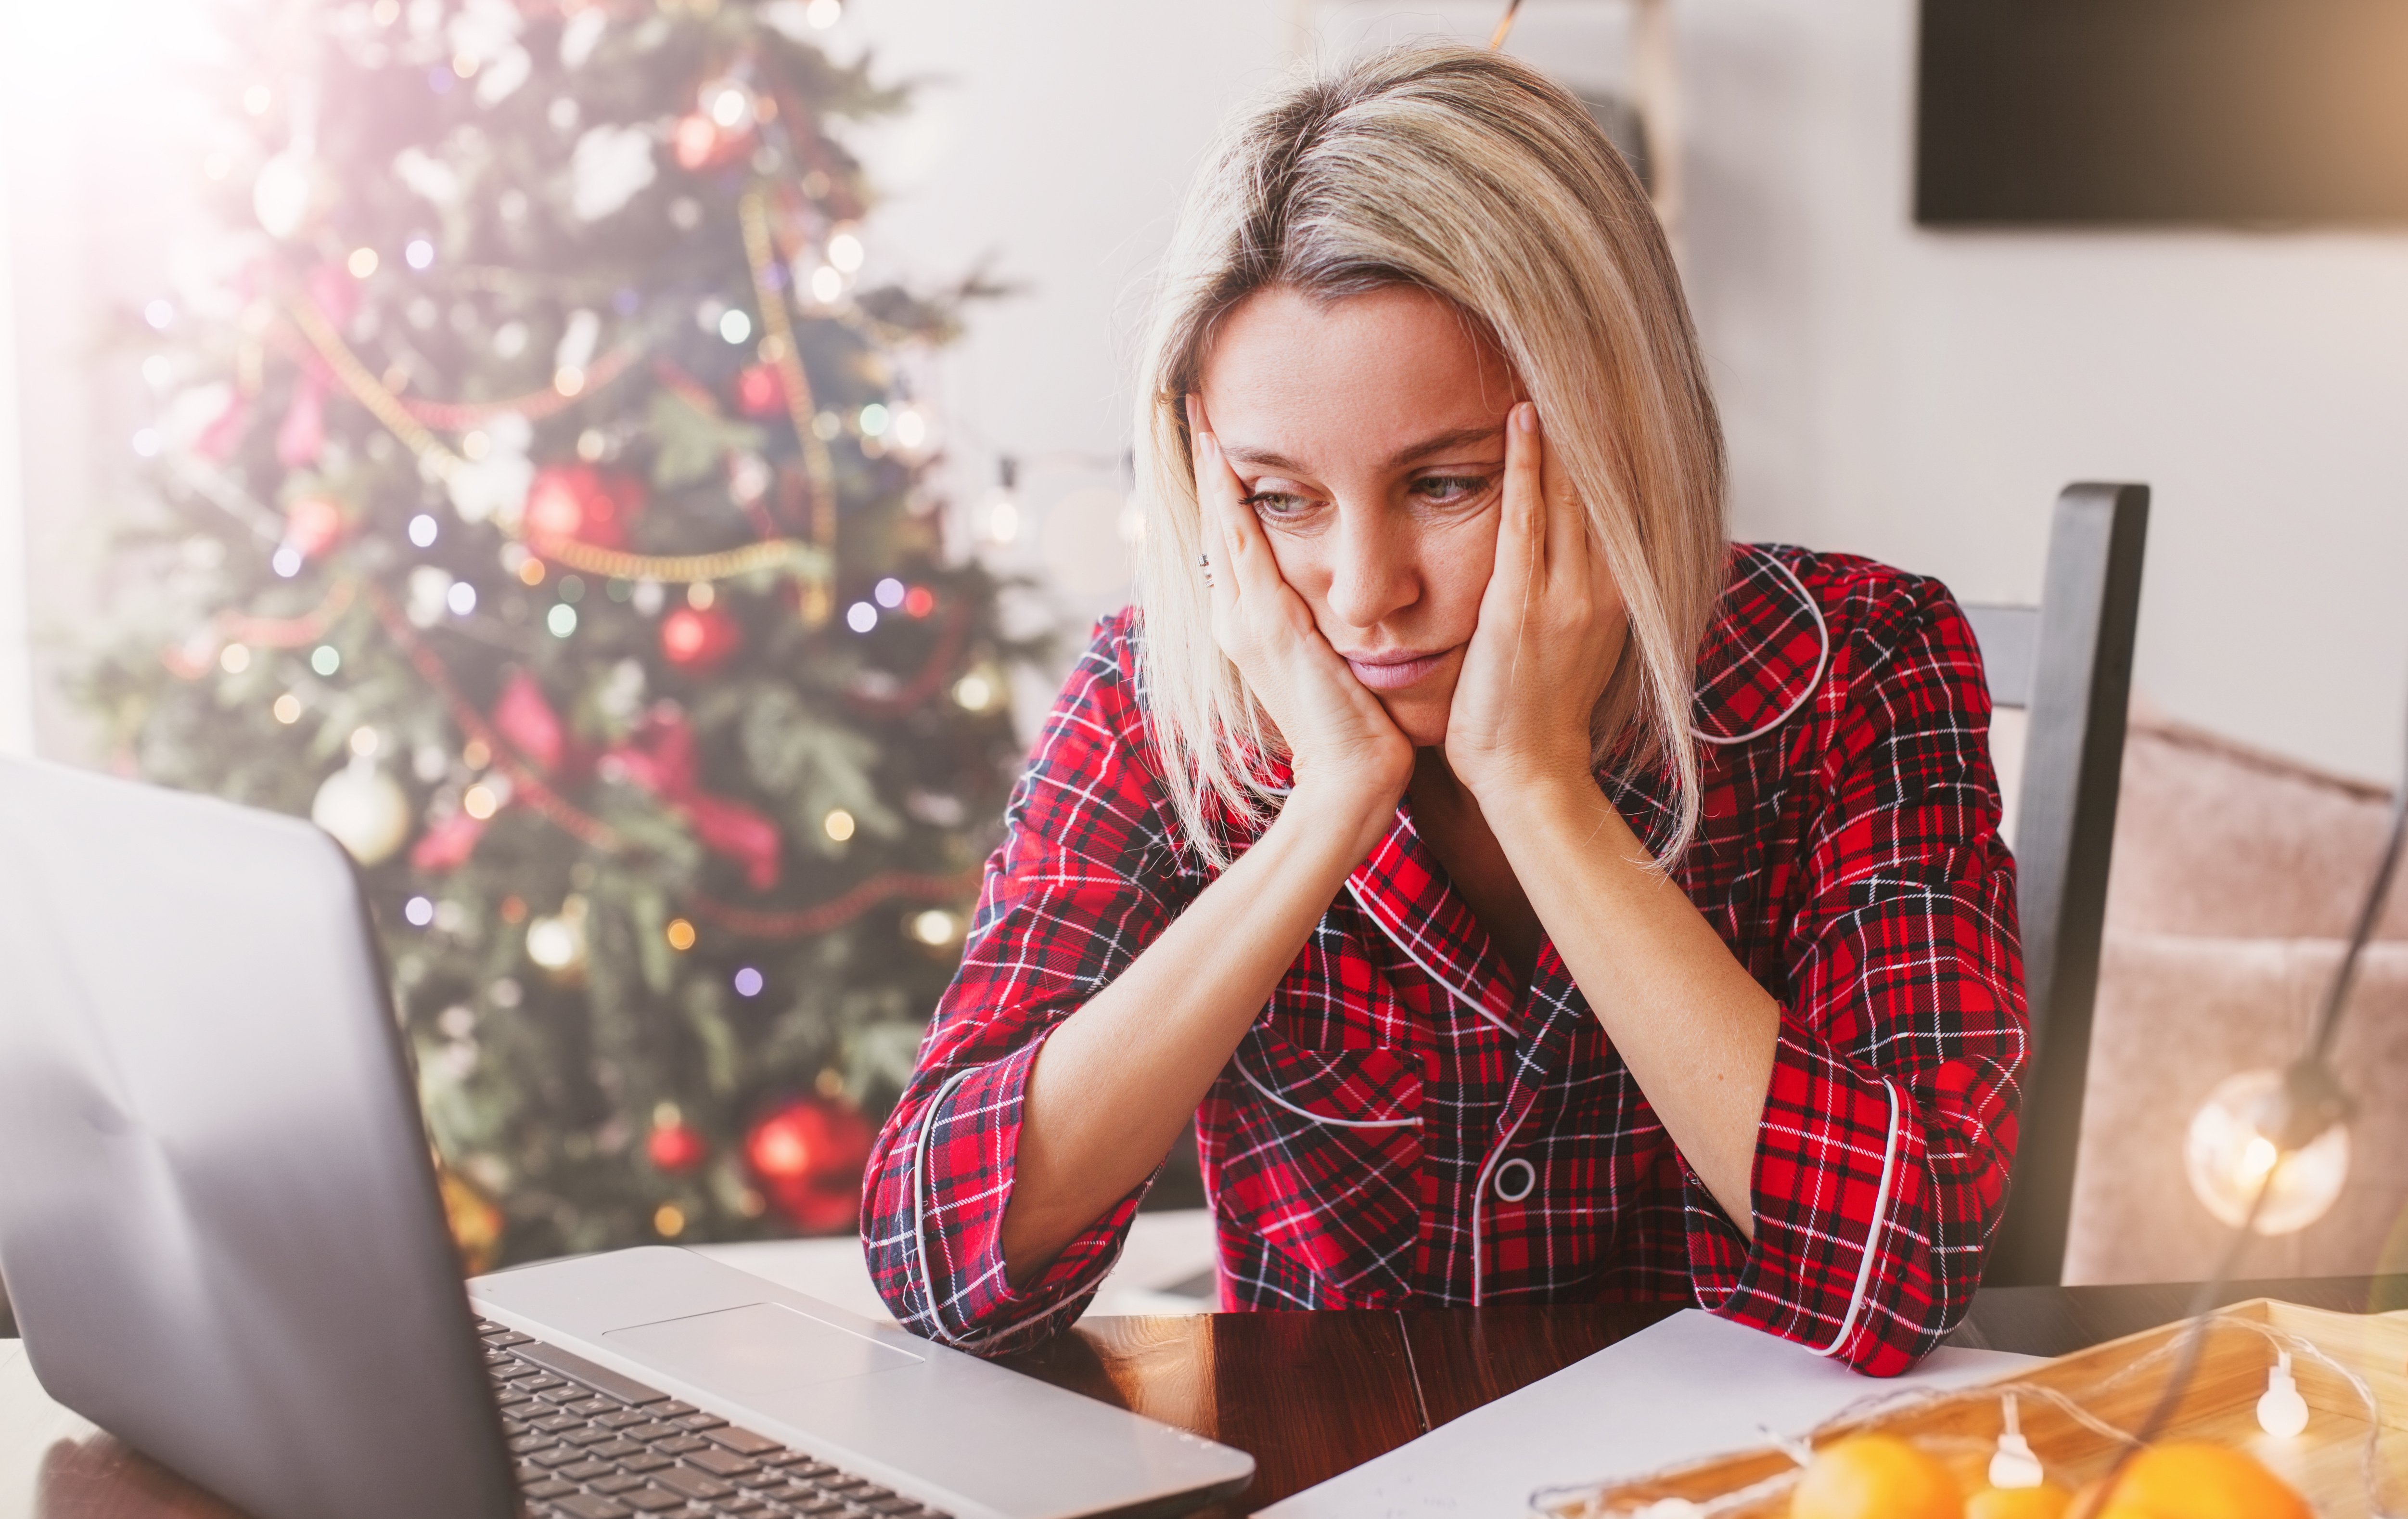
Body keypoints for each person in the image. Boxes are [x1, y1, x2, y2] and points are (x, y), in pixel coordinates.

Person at [861, 42, 2024, 1377]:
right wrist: (1322, 816)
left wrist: (1541, 788)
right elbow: (939, 1261)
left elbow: (1905, 1263)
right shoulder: (1157, 697)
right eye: (1281, 499)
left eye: (1447, 484)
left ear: (1619, 432)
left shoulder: (1859, 662)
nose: (1367, 596)